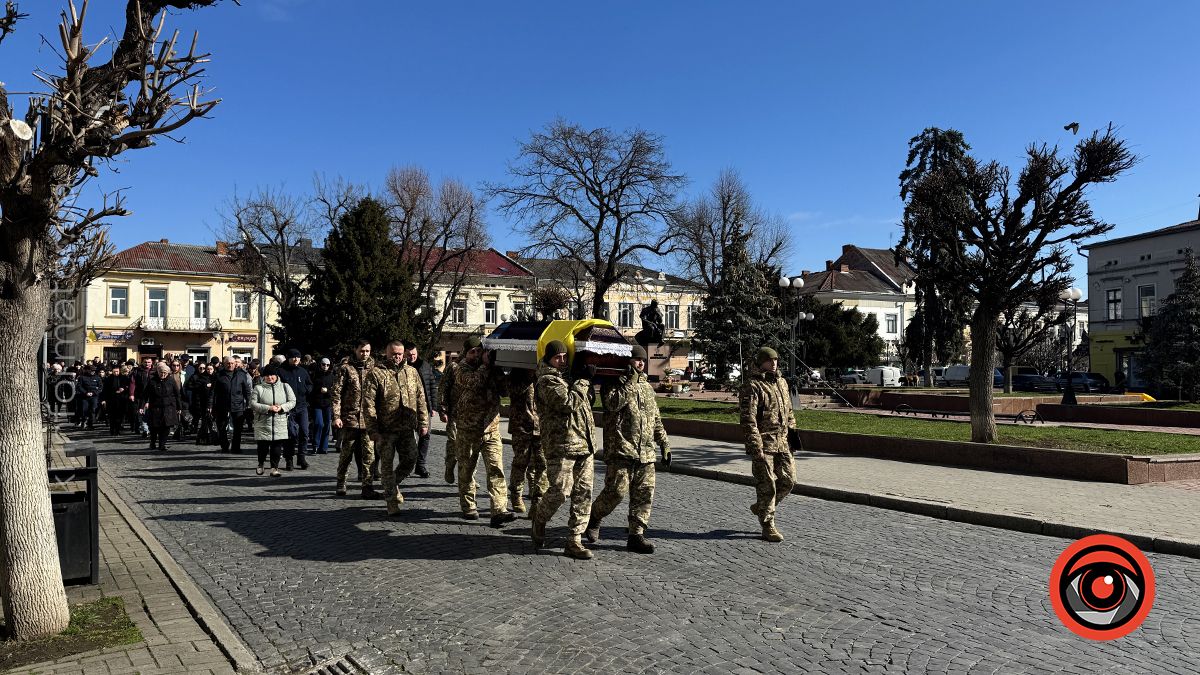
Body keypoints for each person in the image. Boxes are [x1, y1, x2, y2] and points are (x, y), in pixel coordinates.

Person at [585, 345, 670, 554]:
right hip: (621, 449)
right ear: (627, 361)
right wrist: (630, 382)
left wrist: (664, 443)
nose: (641, 363)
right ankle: (594, 517)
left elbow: (655, 419)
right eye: (637, 360)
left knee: (644, 495)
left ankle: (636, 535)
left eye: (643, 360)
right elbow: (612, 404)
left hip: (646, 452)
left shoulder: (647, 387)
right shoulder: (613, 383)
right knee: (615, 492)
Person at [530, 340, 597, 560]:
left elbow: (586, 404)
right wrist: (584, 381)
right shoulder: (546, 381)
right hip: (561, 446)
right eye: (557, 357)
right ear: (548, 358)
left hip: (584, 444)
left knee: (583, 494)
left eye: (564, 356)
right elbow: (568, 403)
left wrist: (585, 382)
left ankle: (574, 540)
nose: (562, 360)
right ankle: (540, 518)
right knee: (560, 492)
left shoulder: (570, 378)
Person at [448, 336, 515, 527]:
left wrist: (499, 371)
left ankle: (499, 510)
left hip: (491, 429)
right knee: (467, 470)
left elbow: (505, 392)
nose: (477, 355)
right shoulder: (460, 368)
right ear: (466, 353)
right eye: (473, 352)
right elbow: (473, 382)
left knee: (496, 470)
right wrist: (485, 366)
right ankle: (468, 505)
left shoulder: (491, 369)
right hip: (468, 429)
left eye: (480, 351)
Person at [362, 340, 429, 516]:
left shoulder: (411, 372)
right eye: (394, 354)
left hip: (407, 428)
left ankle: (392, 484)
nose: (397, 357)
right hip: (386, 430)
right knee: (386, 465)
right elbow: (368, 404)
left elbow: (421, 398)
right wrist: (372, 429)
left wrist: (424, 422)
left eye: (400, 354)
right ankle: (391, 501)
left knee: (411, 459)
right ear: (387, 353)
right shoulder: (377, 373)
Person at [740, 346, 795, 543]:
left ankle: (761, 506)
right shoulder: (753, 386)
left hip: (783, 442)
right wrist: (756, 447)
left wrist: (793, 437)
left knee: (789, 481)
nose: (774, 363)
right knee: (768, 485)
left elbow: (789, 412)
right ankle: (767, 526)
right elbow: (748, 420)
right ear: (761, 362)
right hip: (764, 445)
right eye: (769, 360)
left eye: (776, 360)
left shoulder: (781, 382)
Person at [332, 339, 381, 498]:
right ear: (355, 350)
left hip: (368, 420)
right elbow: (336, 393)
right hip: (350, 419)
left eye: (367, 351)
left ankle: (367, 486)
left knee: (369, 455)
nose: (365, 354)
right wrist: (337, 416)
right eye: (362, 351)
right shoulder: (346, 368)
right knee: (346, 454)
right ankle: (341, 483)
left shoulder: (375, 369)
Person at [507, 367, 546, 515]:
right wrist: (528, 377)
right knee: (520, 463)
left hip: (541, 427)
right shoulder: (516, 375)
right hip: (521, 426)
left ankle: (538, 501)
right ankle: (516, 495)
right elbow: (511, 392)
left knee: (542, 464)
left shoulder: (544, 375)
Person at [250, 363, 296, 477]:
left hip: (280, 421)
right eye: (267, 375)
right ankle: (261, 464)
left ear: (276, 376)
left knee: (277, 447)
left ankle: (274, 468)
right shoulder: (258, 388)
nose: (270, 377)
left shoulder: (285, 386)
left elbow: (292, 401)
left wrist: (282, 407)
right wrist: (268, 408)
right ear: (264, 377)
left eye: (272, 375)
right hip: (263, 422)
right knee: (263, 447)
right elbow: (253, 404)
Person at [404, 341, 436, 478]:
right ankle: (406, 466)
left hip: (424, 407)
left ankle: (420, 465)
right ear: (404, 354)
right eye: (409, 355)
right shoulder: (402, 368)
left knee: (425, 435)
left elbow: (432, 386)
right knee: (407, 438)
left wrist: (433, 407)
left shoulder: (425, 366)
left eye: (414, 354)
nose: (412, 357)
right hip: (406, 408)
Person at [277, 348, 313, 469]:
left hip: (302, 406)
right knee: (290, 434)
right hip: (288, 407)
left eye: (298, 357)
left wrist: (307, 390)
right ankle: (289, 459)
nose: (296, 359)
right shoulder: (281, 371)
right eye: (293, 357)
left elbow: (309, 384)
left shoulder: (303, 371)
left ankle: (301, 457)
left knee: (304, 432)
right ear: (288, 358)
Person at [211, 356, 253, 454]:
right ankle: (224, 446)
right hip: (222, 405)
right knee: (221, 427)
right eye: (228, 363)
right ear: (224, 364)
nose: (230, 365)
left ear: (235, 364)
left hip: (237, 404)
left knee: (238, 428)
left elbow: (246, 391)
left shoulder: (241, 374)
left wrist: (249, 403)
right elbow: (213, 392)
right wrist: (211, 405)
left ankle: (236, 447)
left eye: (232, 363)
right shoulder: (218, 375)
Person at [143, 362, 182, 451]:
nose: (163, 374)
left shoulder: (171, 381)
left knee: (166, 427)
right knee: (154, 427)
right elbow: (145, 394)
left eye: (165, 373)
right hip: (155, 407)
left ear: (168, 373)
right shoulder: (152, 381)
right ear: (158, 372)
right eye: (161, 372)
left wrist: (179, 407)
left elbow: (177, 395)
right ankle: (153, 442)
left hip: (168, 408)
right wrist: (143, 405)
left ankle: (162, 444)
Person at [437, 352, 460, 485]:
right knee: (454, 444)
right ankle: (450, 465)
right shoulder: (454, 367)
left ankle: (469, 476)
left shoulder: (482, 367)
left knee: (473, 449)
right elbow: (443, 388)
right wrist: (442, 410)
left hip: (475, 417)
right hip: (455, 414)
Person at [310, 357, 335, 455]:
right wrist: (318, 390)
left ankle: (324, 447)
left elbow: (335, 391)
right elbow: (310, 389)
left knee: (327, 425)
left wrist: (327, 391)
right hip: (317, 404)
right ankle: (315, 445)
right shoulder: (314, 375)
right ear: (320, 365)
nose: (325, 366)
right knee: (319, 423)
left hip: (327, 404)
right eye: (323, 364)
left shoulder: (332, 376)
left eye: (328, 365)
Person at [187, 363, 215, 444]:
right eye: (208, 369)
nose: (209, 371)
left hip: (215, 402)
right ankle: (204, 437)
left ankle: (212, 436)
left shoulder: (216, 377)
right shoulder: (202, 377)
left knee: (212, 420)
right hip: (204, 402)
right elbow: (196, 387)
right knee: (205, 420)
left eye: (211, 369)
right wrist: (205, 385)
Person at [129, 355, 155, 437]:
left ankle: (149, 429)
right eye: (145, 362)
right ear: (142, 362)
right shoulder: (137, 371)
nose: (147, 364)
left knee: (150, 413)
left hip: (152, 395)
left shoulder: (155, 371)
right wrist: (131, 394)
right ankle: (142, 429)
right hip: (139, 395)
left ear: (152, 362)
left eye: (149, 362)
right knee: (139, 412)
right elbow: (133, 383)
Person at [101, 365, 130, 435]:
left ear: (119, 371)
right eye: (114, 372)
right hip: (111, 399)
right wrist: (103, 399)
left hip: (121, 399)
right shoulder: (108, 379)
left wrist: (123, 388)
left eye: (117, 371)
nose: (116, 373)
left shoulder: (124, 378)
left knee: (120, 416)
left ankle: (118, 430)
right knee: (112, 416)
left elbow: (128, 387)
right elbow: (105, 390)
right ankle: (112, 430)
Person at [76, 365, 103, 430]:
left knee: (93, 409)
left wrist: (94, 393)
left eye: (94, 371)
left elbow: (100, 387)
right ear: (88, 370)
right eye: (91, 370)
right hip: (84, 396)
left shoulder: (97, 378)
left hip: (94, 396)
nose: (92, 372)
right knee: (84, 410)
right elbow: (79, 386)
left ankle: (90, 424)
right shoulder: (82, 377)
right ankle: (84, 422)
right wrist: (85, 392)